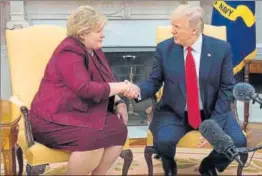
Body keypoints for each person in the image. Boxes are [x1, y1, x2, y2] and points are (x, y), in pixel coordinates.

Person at [122, 4, 247, 176]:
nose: (172, 31)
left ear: (194, 30)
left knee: (237, 142)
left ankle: (209, 166)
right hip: (174, 111)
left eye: (177, 27)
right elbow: (154, 81)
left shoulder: (221, 49)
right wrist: (137, 90)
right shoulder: (164, 49)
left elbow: (227, 88)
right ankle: (169, 168)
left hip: (213, 111)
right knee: (163, 142)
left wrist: (215, 124)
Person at [29, 6, 131, 175]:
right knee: (93, 140)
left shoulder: (94, 49)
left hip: (77, 111)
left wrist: (119, 101)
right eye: (98, 31)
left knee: (118, 129)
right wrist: (123, 86)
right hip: (53, 118)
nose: (103, 34)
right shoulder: (68, 51)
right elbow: (84, 89)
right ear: (83, 32)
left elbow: (106, 80)